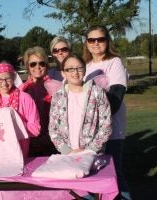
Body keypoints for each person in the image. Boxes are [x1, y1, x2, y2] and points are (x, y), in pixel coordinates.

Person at [83, 25, 131, 200]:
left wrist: (96, 120)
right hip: (88, 134)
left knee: (114, 173)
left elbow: (116, 96)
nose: (96, 43)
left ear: (107, 41)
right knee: (89, 176)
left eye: (100, 39)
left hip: (111, 130)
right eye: (91, 40)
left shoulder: (114, 62)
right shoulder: (85, 66)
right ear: (86, 43)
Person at [49, 54, 112, 155]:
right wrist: (67, 151)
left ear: (84, 70)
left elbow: (106, 124)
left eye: (79, 68)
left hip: (93, 154)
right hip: (67, 155)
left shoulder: (97, 92)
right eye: (70, 69)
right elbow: (53, 129)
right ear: (63, 73)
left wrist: (91, 149)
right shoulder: (57, 97)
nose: (75, 72)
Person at [0, 63, 41, 157]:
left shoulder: (25, 98)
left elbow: (35, 128)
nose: (4, 83)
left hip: (20, 151)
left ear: (13, 78)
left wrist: (14, 126)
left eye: (8, 78)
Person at [19, 46, 62, 157]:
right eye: (33, 64)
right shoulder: (21, 89)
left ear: (46, 66)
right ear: (28, 67)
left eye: (41, 63)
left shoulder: (57, 86)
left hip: (53, 140)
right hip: (30, 142)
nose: (37, 67)